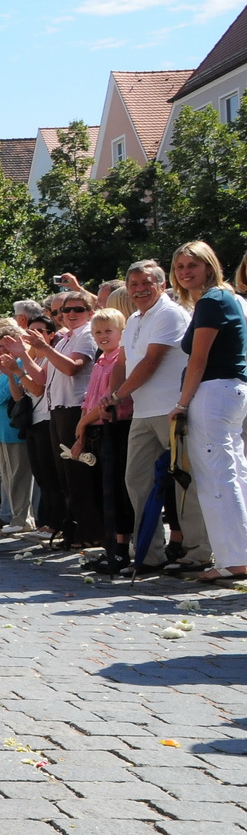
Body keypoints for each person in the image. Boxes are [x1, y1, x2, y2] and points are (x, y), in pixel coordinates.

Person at [112, 260, 207, 571]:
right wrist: (111, 397)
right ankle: (149, 555)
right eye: (134, 285)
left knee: (184, 483)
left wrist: (118, 395)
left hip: (172, 410)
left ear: (162, 285)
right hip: (142, 413)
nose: (140, 290)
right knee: (136, 481)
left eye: (146, 283)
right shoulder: (135, 320)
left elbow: (151, 363)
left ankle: (198, 553)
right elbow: (122, 362)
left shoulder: (169, 313)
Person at [169, 241, 247, 583]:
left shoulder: (214, 300)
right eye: (180, 267)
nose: (185, 272)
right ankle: (237, 554)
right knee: (233, 472)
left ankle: (234, 559)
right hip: (229, 392)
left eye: (192, 266)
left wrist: (182, 403)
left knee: (217, 476)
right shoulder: (226, 298)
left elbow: (198, 359)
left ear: (209, 266)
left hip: (214, 392)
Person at [29, 290, 99, 547]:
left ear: (90, 313)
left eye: (77, 310)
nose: (70, 314)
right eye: (65, 311)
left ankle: (90, 533)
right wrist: (22, 356)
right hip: (57, 409)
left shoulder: (88, 334)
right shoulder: (63, 340)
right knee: (65, 477)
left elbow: (72, 368)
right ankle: (73, 530)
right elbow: (40, 379)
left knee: (79, 474)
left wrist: (44, 347)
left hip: (75, 408)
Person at [72, 308, 133, 572]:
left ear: (121, 332)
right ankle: (109, 547)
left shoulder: (121, 358)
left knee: (117, 491)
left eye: (108, 331)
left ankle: (121, 549)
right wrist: (82, 429)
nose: (102, 336)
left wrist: (83, 422)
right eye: (97, 332)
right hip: (96, 429)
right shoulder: (100, 361)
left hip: (117, 425)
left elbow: (108, 399)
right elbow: (90, 398)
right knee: (100, 492)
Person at [0, 324, 35, 534]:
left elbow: (2, 396)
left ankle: (22, 519)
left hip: (14, 428)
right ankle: (15, 517)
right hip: (1, 429)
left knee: (19, 476)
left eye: (6, 345)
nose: (2, 350)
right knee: (7, 475)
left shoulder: (17, 364)